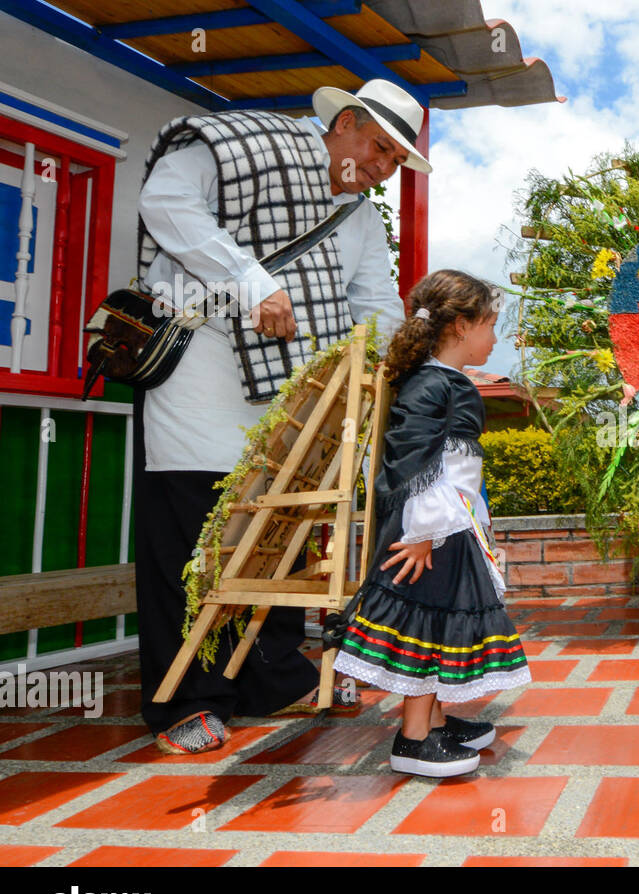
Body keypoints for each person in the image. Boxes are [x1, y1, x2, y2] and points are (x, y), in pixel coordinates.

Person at [135, 79, 431, 754]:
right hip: (202, 384)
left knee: (283, 535)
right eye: (381, 150)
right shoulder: (248, 144)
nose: (384, 169)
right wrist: (250, 282)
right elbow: (166, 201)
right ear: (345, 123)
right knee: (194, 540)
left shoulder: (358, 216)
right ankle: (186, 698)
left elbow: (375, 302)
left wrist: (402, 369)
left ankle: (270, 678)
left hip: (295, 402)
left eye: (395, 162)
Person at [328, 270, 531, 777]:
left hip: (445, 526)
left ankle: (434, 722)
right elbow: (421, 465)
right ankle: (415, 738)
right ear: (461, 326)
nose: (495, 337)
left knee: (436, 627)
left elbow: (445, 466)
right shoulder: (436, 384)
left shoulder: (438, 380)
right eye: (490, 325)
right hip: (432, 532)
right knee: (431, 625)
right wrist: (421, 534)